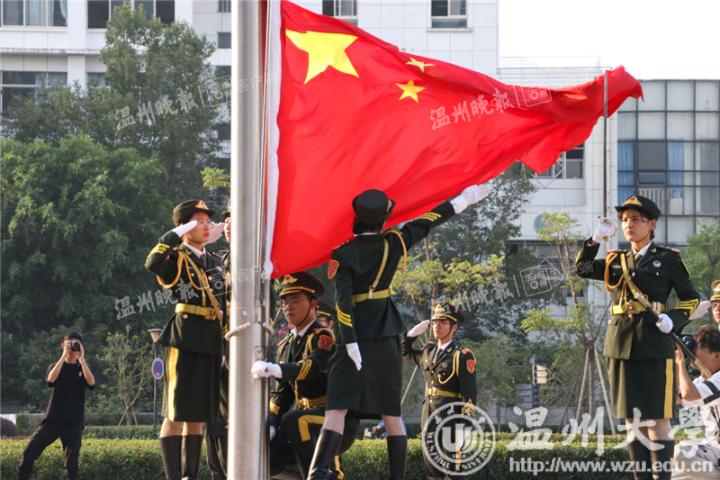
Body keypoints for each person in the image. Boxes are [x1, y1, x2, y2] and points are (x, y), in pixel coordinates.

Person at [308, 185, 491, 480]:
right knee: (391, 414)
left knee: (336, 410)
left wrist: (350, 342)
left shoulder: (342, 254)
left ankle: (316, 473)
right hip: (385, 331)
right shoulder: (392, 244)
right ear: (383, 219)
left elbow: (343, 303)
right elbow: (428, 221)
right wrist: (464, 200)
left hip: (353, 336)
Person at [575, 194, 700, 480]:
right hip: (620, 345)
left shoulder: (667, 259)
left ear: (651, 224)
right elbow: (582, 269)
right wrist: (594, 240)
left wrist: (674, 319)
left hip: (654, 344)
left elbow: (690, 298)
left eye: (636, 219)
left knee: (657, 418)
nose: (629, 224)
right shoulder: (615, 260)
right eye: (625, 220)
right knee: (633, 420)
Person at [145, 200, 226, 480]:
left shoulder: (214, 262)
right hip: (185, 338)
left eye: (207, 221)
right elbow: (152, 262)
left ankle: (189, 475)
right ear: (185, 226)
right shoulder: (177, 258)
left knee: (196, 414)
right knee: (175, 411)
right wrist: (176, 234)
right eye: (198, 221)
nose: (206, 226)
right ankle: (173, 476)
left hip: (211, 340)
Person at [252, 272, 356, 478]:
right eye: (285, 302)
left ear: (313, 304)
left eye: (295, 300)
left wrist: (276, 369)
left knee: (295, 420)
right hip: (302, 420)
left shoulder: (323, 336)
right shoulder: (285, 345)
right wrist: (271, 423)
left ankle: (328, 474)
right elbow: (282, 393)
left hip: (335, 417)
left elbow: (312, 367)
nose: (288, 307)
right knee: (266, 452)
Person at [402, 302, 477, 479]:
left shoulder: (461, 355)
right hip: (429, 415)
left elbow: (470, 395)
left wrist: (465, 425)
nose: (437, 326)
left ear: (454, 327)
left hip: (451, 417)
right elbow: (404, 351)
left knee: (452, 469)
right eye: (435, 322)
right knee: (431, 469)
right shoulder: (428, 352)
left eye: (443, 322)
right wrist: (411, 335)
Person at [18, 332, 96, 480]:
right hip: (53, 420)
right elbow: (51, 380)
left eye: (77, 344)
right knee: (28, 454)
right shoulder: (55, 366)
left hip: (74, 423)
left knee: (72, 465)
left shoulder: (83, 369)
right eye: (70, 344)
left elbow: (92, 384)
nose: (73, 347)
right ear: (63, 345)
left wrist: (82, 359)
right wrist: (63, 356)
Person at [204, 204, 231, 480]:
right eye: (227, 222)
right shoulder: (214, 262)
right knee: (212, 418)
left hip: (240, 349)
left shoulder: (251, 265)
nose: (229, 226)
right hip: (214, 347)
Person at [673, 325, 720, 479]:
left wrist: (681, 363)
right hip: (711, 451)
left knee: (681, 453)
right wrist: (675, 363)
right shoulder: (698, 382)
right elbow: (676, 398)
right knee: (665, 473)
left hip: (715, 452)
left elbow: (689, 394)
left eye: (698, 346)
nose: (693, 351)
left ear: (716, 356)